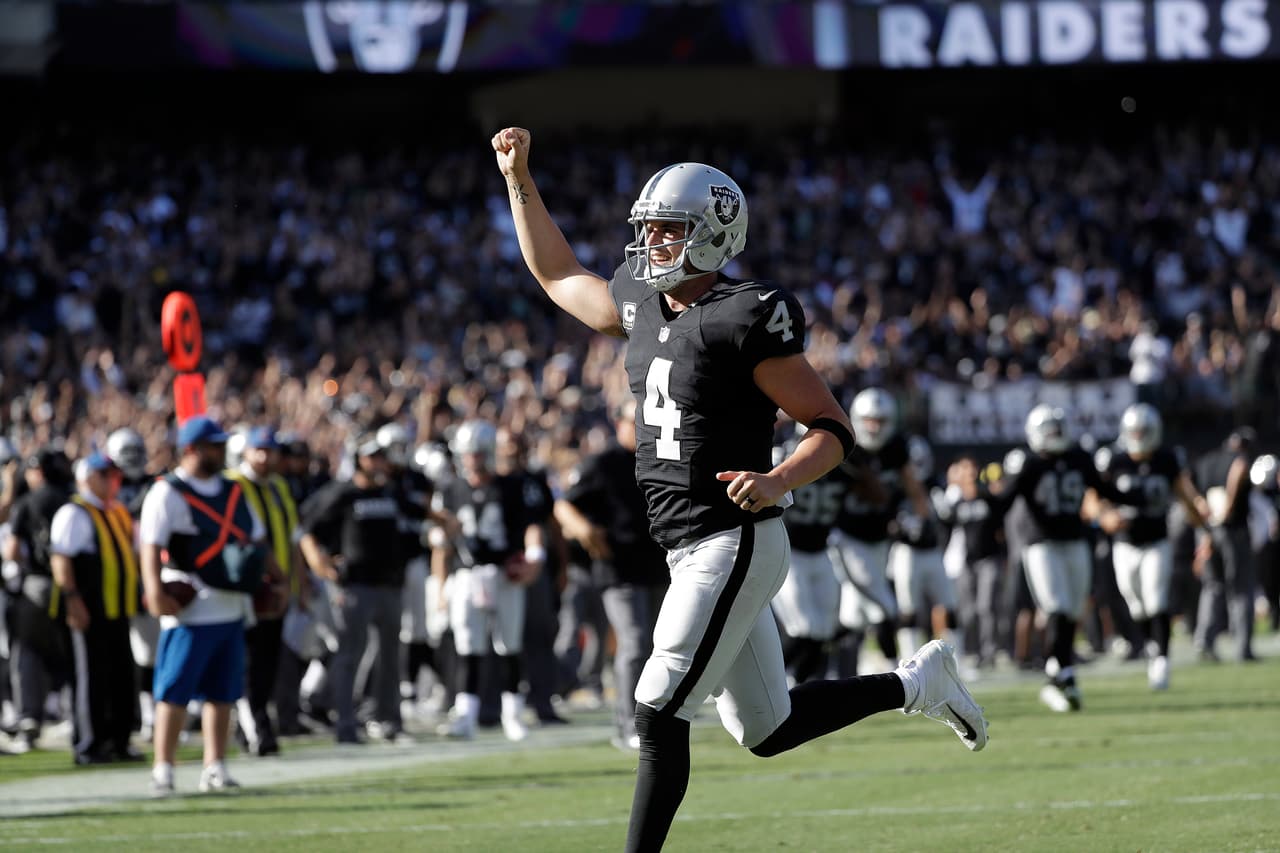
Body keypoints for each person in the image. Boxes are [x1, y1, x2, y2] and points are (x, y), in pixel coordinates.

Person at [492, 126, 987, 853]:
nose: (650, 243)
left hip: (732, 536)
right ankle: (917, 682)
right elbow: (559, 274)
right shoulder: (637, 301)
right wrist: (518, 179)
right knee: (767, 727)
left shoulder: (743, 315)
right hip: (687, 544)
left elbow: (830, 425)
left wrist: (778, 476)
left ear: (713, 234)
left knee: (657, 711)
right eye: (648, 229)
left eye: (666, 230)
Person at [140, 416, 269, 797]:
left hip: (230, 604)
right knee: (174, 690)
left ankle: (215, 765)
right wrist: (154, 591)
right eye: (213, 445)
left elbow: (257, 539)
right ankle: (164, 767)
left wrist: (274, 580)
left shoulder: (233, 490)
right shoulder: (168, 492)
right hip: (190, 607)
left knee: (223, 692)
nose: (220, 451)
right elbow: (150, 545)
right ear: (192, 449)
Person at [989, 404, 1139, 713]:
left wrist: (1135, 498)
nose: (1056, 434)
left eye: (1059, 427)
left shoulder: (1079, 458)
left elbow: (1103, 489)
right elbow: (1004, 500)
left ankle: (1059, 672)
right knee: (1055, 606)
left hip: (1075, 540)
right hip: (1041, 543)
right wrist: (982, 502)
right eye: (1050, 428)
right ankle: (1063, 674)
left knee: (1072, 611)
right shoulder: (1028, 463)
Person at [556, 399, 668, 749]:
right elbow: (564, 505)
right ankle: (629, 725)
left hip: (658, 566)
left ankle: (656, 719)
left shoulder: (662, 458)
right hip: (618, 569)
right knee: (634, 643)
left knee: (659, 647)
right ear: (617, 423)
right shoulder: (602, 463)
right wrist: (583, 529)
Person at [298, 434, 417, 744]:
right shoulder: (342, 494)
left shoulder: (391, 493)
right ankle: (345, 722)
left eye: (381, 456)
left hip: (389, 584)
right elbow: (307, 530)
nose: (379, 463)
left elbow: (420, 513)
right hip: (355, 586)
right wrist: (320, 565)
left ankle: (387, 718)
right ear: (358, 459)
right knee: (349, 654)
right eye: (372, 457)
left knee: (391, 656)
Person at [434, 419, 545, 742]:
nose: (472, 460)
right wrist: (441, 585)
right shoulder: (451, 489)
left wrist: (534, 559)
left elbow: (531, 526)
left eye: (477, 454)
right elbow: (440, 543)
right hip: (467, 574)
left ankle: (513, 714)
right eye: (468, 454)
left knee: (509, 644)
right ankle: (465, 715)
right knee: (468, 646)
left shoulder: (511, 485)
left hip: (505, 573)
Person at [1087, 404, 1208, 690]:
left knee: (1156, 598)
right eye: (1136, 431)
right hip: (1125, 543)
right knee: (1135, 602)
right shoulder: (1114, 461)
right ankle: (1154, 649)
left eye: (1144, 431)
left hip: (1157, 540)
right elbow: (1092, 500)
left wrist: (1202, 523)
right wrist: (1105, 516)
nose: (1140, 436)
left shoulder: (1166, 459)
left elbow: (1184, 493)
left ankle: (1162, 659)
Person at [48, 452, 142, 764]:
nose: (113, 481)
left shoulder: (116, 511)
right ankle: (89, 743)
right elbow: (61, 558)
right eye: (105, 475)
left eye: (115, 475)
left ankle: (119, 740)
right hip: (90, 609)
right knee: (90, 676)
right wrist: (72, 600)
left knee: (121, 675)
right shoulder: (75, 512)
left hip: (118, 608)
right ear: (87, 477)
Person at [828, 389, 929, 673]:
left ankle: (836, 669)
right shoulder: (846, 445)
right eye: (869, 420)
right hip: (846, 538)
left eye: (881, 421)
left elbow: (912, 486)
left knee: (853, 616)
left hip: (879, 538)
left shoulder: (896, 447)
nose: (874, 427)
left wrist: (920, 517)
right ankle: (894, 674)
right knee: (885, 607)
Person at [226, 426, 300, 756]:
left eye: (271, 451)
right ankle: (256, 728)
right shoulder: (234, 485)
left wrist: (294, 582)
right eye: (260, 450)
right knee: (250, 662)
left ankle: (251, 727)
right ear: (245, 451)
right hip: (249, 588)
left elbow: (293, 537)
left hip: (278, 587)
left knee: (268, 661)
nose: (266, 457)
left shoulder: (279, 487)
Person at [2, 448, 73, 751]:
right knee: (72, 651)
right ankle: (75, 713)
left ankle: (29, 714)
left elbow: (12, 551)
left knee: (26, 650)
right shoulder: (72, 499)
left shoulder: (28, 502)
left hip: (38, 586)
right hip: (72, 586)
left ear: (38, 471)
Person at [767, 423, 845, 685]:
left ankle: (794, 687)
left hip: (822, 551)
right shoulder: (785, 455)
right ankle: (770, 683)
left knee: (824, 631)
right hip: (792, 553)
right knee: (803, 627)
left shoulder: (845, 463)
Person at [1193, 428, 1259, 662]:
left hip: (1210, 530)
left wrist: (1205, 531)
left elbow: (1196, 495)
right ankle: (1242, 647)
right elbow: (1239, 469)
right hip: (1233, 529)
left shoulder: (1208, 462)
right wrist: (1229, 506)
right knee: (1240, 588)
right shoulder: (1239, 459)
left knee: (1213, 587)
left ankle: (1204, 640)